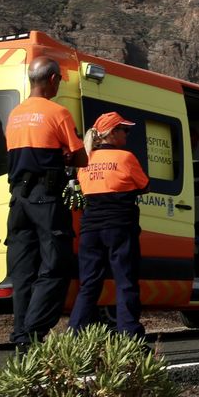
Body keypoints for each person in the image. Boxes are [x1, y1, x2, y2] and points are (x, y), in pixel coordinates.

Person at [5, 56, 87, 351]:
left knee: (23, 270)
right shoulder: (58, 112)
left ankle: (21, 337)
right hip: (46, 197)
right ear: (52, 80)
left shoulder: (15, 115)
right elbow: (81, 158)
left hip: (18, 199)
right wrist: (66, 155)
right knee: (55, 264)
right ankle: (33, 331)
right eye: (60, 80)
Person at [68, 112, 149, 339]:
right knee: (125, 283)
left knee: (89, 285)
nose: (127, 134)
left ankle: (74, 335)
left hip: (90, 229)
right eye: (125, 130)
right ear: (112, 132)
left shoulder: (85, 160)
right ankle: (130, 337)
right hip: (120, 227)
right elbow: (144, 186)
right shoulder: (125, 158)